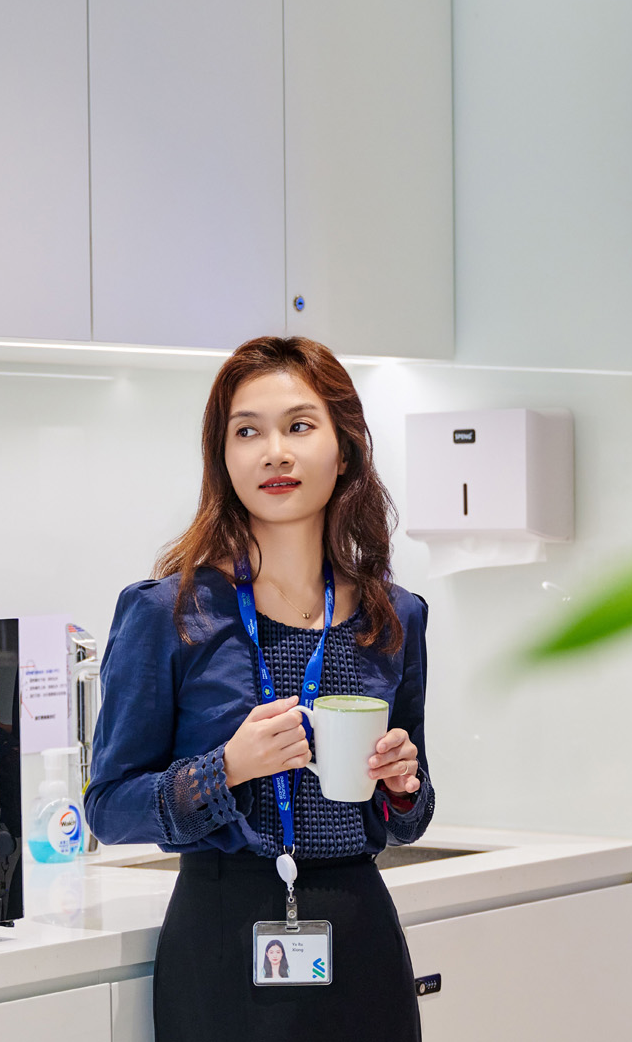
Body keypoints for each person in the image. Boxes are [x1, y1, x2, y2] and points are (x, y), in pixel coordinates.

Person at [86, 336, 432, 1041]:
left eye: (299, 427)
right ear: (223, 457)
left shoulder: (395, 615)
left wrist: (403, 787)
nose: (274, 452)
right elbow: (109, 808)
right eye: (248, 431)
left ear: (346, 450)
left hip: (361, 929)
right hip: (221, 935)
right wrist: (229, 769)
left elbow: (411, 817)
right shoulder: (168, 613)